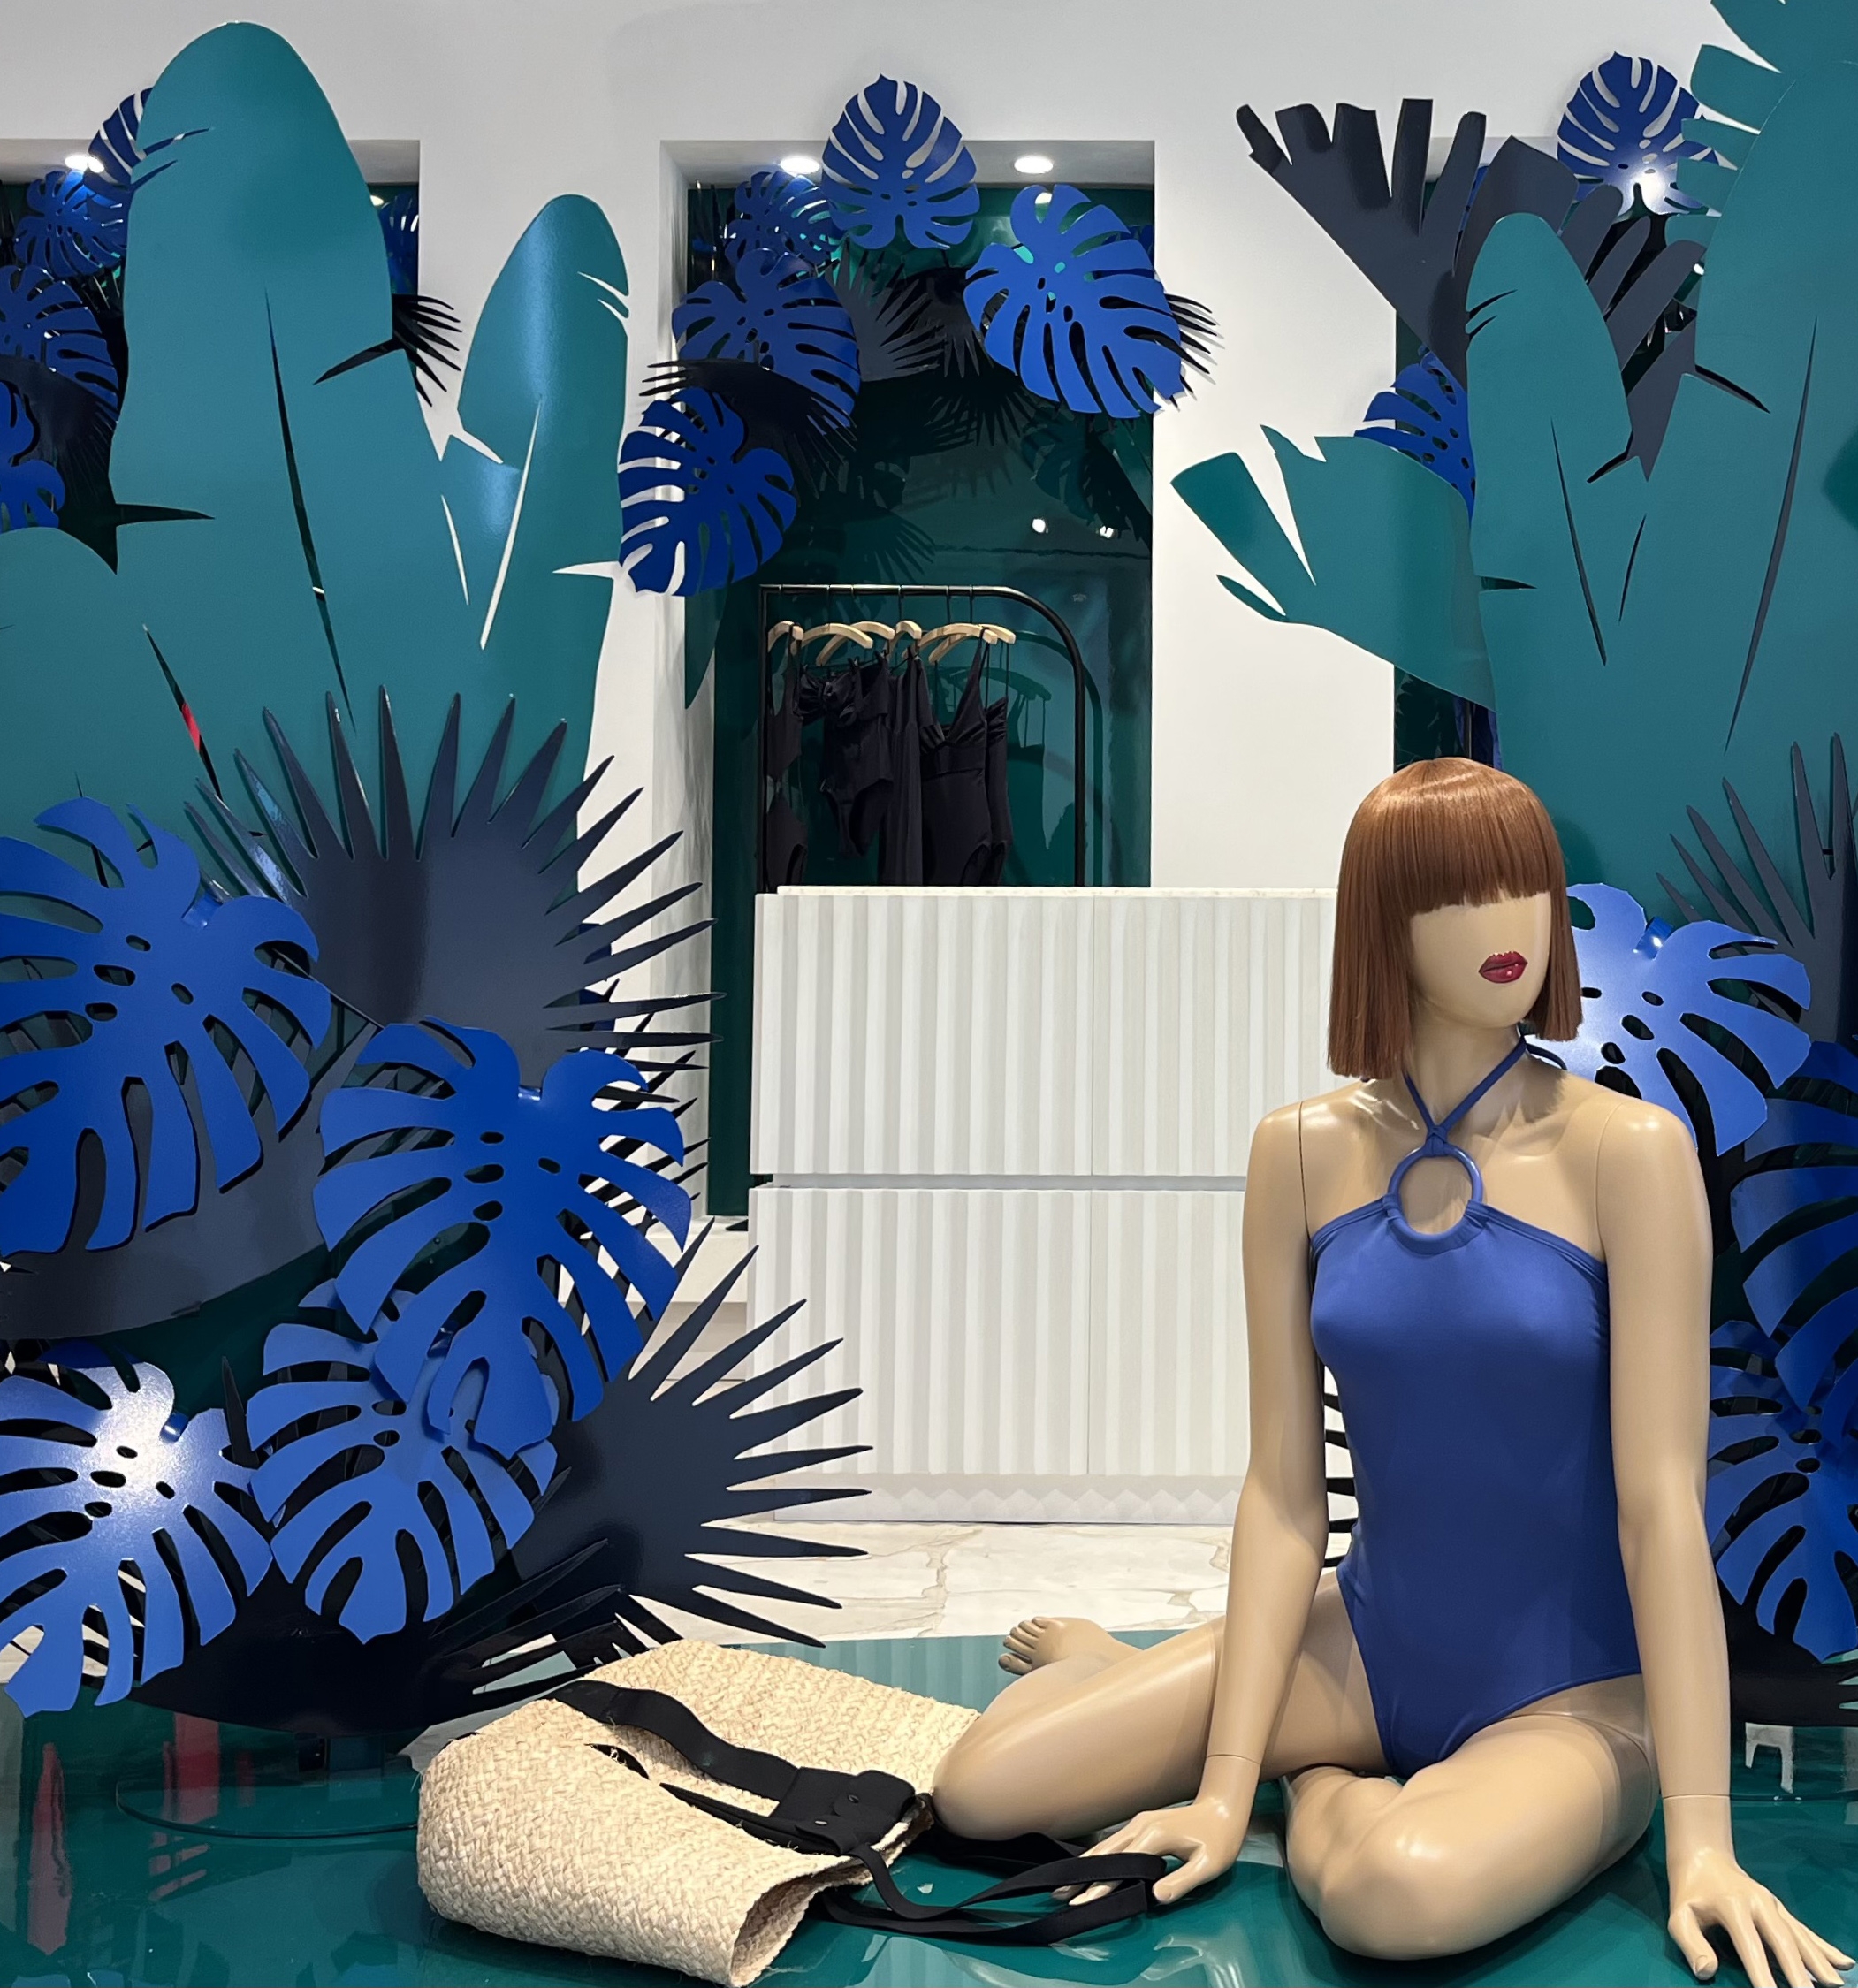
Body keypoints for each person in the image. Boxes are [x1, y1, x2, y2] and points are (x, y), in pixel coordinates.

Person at [933, 759, 1850, 1988]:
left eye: (1525, 885)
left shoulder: (1627, 1150)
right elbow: (1282, 1494)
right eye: (1455, 894)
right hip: (1363, 1642)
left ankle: (1317, 1781)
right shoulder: (1298, 1151)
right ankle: (1132, 1677)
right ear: (1383, 923)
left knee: (1396, 1893)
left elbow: (1661, 1508)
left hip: (1574, 1694)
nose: (1508, 923)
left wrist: (1701, 1844)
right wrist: (1217, 1792)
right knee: (981, 1790)